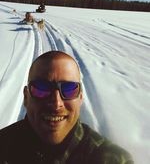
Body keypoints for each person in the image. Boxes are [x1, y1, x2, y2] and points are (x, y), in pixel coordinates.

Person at [0, 51, 134, 164]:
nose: (56, 103)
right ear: (26, 97)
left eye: (69, 89)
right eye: (41, 88)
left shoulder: (111, 159)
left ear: (80, 97)